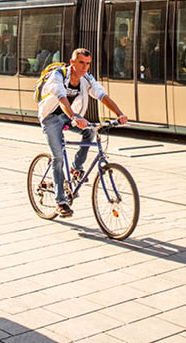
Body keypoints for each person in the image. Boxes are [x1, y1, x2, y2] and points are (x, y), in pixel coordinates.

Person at [37, 48, 128, 217]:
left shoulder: (86, 78)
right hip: (51, 117)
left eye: (87, 64)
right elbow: (61, 97)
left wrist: (119, 114)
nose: (84, 67)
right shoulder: (58, 75)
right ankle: (61, 201)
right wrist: (74, 116)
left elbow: (102, 95)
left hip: (68, 116)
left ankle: (76, 168)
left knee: (90, 132)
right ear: (72, 63)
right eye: (81, 63)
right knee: (57, 157)